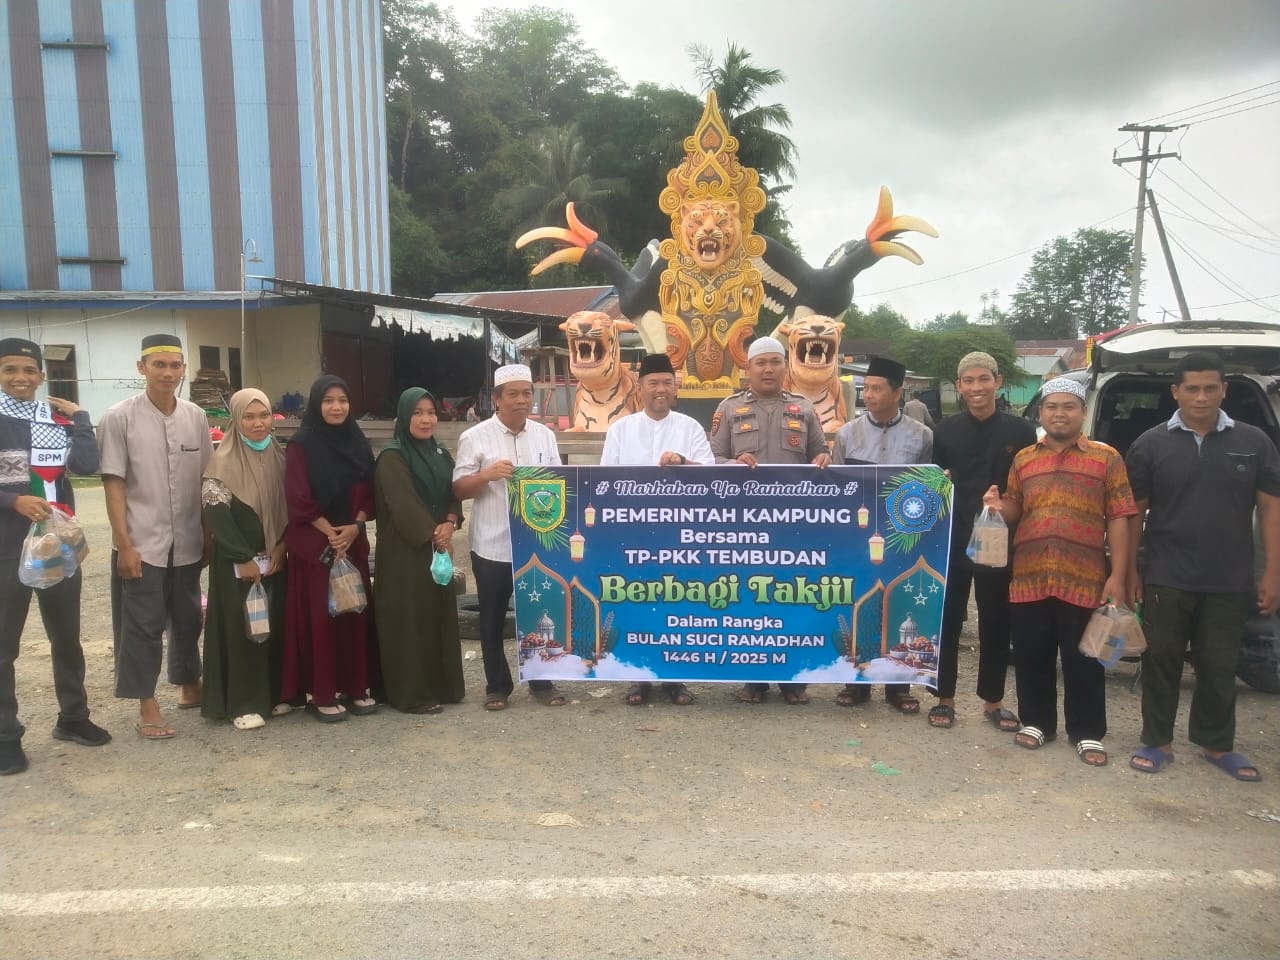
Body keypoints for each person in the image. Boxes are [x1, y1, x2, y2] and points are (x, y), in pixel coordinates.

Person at [1125, 352, 1280, 781]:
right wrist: (1130, 571)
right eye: (1192, 388)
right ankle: (1157, 741)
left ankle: (1216, 744)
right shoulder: (1151, 444)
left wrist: (1272, 572)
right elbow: (1133, 512)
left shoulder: (1253, 441)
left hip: (1229, 576)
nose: (1201, 397)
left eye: (1211, 388)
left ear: (1223, 391)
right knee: (1161, 660)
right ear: (1175, 392)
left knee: (1220, 664)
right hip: (1166, 574)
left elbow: (1271, 508)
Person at [984, 376, 1134, 767]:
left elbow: (1120, 517)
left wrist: (1117, 575)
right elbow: (1016, 509)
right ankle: (1037, 722)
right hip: (1030, 575)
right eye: (1052, 407)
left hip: (1083, 577)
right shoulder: (1024, 459)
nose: (1059, 414)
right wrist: (999, 507)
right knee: (1031, 653)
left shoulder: (1107, 458)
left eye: (1068, 406)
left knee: (1085, 657)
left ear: (1083, 412)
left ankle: (1086, 731)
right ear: (1041, 413)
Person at [0, 338, 109, 774]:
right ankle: (6, 735)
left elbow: (84, 466)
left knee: (66, 637)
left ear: (42, 376)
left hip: (57, 544)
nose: (20, 378)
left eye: (29, 370)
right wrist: (12, 501)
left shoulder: (55, 421)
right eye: (10, 369)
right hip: (7, 549)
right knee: (4, 646)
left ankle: (73, 717)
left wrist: (81, 419)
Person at [99, 334, 212, 740]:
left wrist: (207, 534)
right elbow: (113, 484)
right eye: (158, 365)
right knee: (143, 625)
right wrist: (124, 545)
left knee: (187, 618)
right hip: (142, 543)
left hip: (187, 541)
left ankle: (189, 683)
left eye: (174, 365)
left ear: (184, 369)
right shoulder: (119, 418)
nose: (167, 373)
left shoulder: (195, 417)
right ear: (141, 368)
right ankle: (146, 703)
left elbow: (206, 480)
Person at [710, 336, 830, 705]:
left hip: (794, 525)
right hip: (743, 526)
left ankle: (792, 680)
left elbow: (821, 452)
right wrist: (733, 463)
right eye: (760, 363)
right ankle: (754, 679)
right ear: (748, 368)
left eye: (774, 362)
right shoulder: (729, 408)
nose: (767, 369)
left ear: (784, 367)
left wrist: (823, 459)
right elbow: (712, 460)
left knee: (792, 597)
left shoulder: (804, 408)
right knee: (749, 599)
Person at [928, 352, 1037, 732]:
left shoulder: (1021, 431)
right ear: (959, 386)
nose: (977, 388)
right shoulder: (944, 431)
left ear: (998, 381)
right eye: (969, 381)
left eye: (984, 379)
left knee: (996, 622)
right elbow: (934, 481)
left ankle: (993, 701)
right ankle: (944, 698)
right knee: (947, 621)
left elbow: (1025, 485)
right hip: (953, 538)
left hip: (998, 540)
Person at [602, 353, 714, 707]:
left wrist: (682, 462)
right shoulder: (620, 429)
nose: (660, 389)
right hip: (633, 536)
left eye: (667, 382)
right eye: (653, 383)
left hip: (680, 537)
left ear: (675, 388)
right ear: (640, 389)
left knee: (675, 602)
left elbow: (711, 476)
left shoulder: (690, 428)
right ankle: (637, 677)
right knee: (636, 602)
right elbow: (606, 482)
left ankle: (674, 678)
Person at [453, 364, 565, 710]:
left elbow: (559, 483)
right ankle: (497, 686)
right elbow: (459, 488)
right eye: (513, 394)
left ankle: (542, 681)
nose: (521, 400)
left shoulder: (545, 435)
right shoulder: (475, 437)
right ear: (497, 399)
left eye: (526, 393)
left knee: (540, 612)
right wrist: (485, 476)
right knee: (491, 617)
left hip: (536, 544)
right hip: (492, 544)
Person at [831, 356, 933, 714]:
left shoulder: (922, 436)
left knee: (901, 602)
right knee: (859, 600)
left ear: (897, 393)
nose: (869, 395)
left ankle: (898, 687)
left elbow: (930, 487)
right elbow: (837, 487)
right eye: (866, 389)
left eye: (876, 389)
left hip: (904, 537)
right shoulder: (847, 434)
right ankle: (856, 683)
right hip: (859, 536)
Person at [281, 376, 379, 723]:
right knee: (321, 619)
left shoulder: (357, 441)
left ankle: (355, 687)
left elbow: (371, 491)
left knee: (354, 612)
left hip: (352, 541)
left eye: (342, 400)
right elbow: (298, 498)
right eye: (328, 401)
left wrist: (354, 527)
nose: (337, 407)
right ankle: (321, 693)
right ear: (316, 404)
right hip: (316, 547)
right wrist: (332, 534)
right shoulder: (301, 445)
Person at [199, 388, 289, 730]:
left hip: (275, 561)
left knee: (273, 625)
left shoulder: (281, 458)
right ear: (236, 420)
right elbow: (217, 518)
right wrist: (243, 557)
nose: (257, 423)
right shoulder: (221, 462)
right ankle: (242, 702)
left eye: (263, 415)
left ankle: (274, 694)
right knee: (242, 629)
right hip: (236, 566)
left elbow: (293, 507)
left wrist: (282, 548)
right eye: (248, 417)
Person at [373, 387, 465, 714]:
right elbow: (403, 505)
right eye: (417, 413)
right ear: (403, 416)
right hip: (404, 551)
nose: (426, 420)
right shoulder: (393, 457)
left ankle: (443, 687)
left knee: (436, 615)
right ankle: (411, 694)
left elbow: (454, 491)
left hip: (436, 547)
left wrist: (450, 522)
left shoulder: (439, 451)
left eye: (431, 412)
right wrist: (434, 533)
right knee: (409, 620)